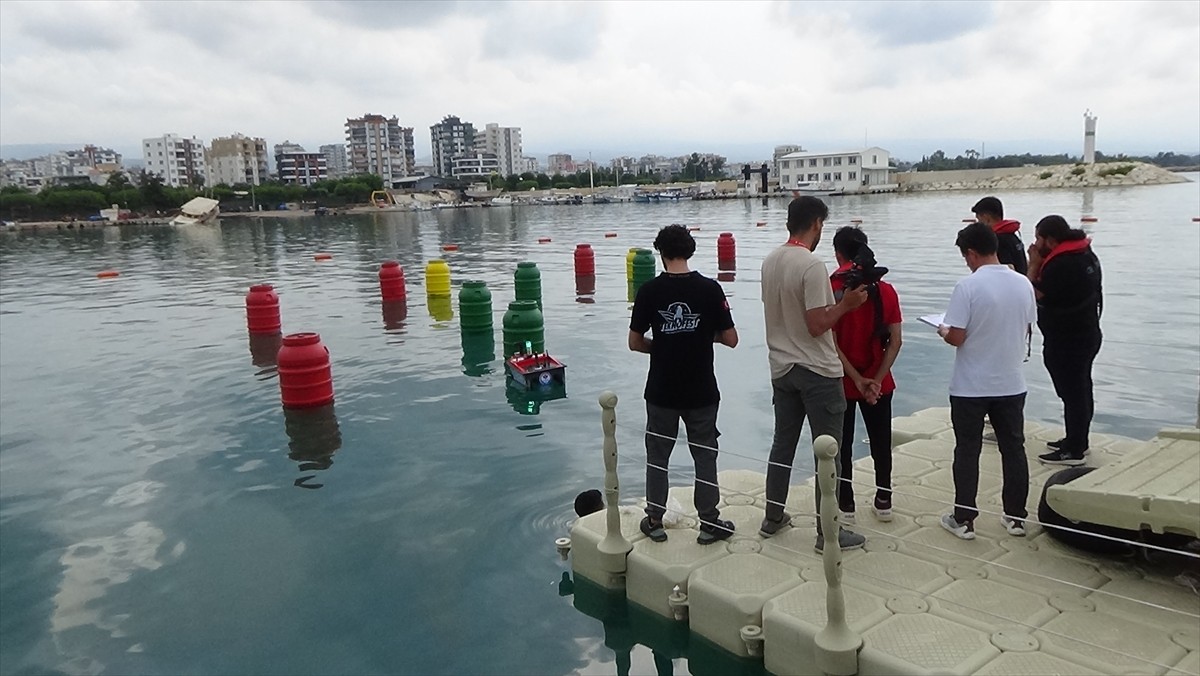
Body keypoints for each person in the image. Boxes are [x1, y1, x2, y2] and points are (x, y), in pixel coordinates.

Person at [760, 196, 869, 553]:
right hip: (817, 371)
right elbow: (816, 323)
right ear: (817, 224)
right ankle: (828, 533)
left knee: (783, 445)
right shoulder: (811, 265)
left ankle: (773, 517)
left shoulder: (770, 261)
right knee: (828, 454)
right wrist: (847, 305)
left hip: (782, 367)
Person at [629, 224, 739, 545]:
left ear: (661, 253)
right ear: (689, 251)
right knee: (705, 455)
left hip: (661, 389)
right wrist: (704, 337)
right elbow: (731, 339)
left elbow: (635, 342)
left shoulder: (648, 291)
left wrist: (662, 345)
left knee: (657, 456)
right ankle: (709, 522)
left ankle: (654, 520)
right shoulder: (710, 289)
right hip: (702, 389)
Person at [937, 222, 1038, 540]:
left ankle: (964, 519)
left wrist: (942, 330)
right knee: (1014, 449)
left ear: (971, 253)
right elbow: (1026, 327)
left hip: (971, 385)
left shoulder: (967, 287)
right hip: (1011, 382)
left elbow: (957, 336)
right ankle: (1016, 518)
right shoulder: (1023, 283)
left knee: (967, 450)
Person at [829, 226, 903, 523]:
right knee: (881, 440)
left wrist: (857, 380)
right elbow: (896, 340)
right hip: (879, 380)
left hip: (843, 380)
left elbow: (829, 342)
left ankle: (846, 504)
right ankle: (883, 499)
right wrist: (875, 379)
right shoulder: (885, 289)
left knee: (842, 445)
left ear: (838, 253)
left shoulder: (834, 288)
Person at [1027, 215, 1103, 466]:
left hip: (1068, 339)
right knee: (1081, 389)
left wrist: (1034, 264)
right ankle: (1078, 439)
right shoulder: (1085, 254)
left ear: (1050, 239)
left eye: (1039, 238)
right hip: (1087, 333)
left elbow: (1032, 295)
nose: (1036, 243)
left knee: (1073, 393)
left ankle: (1074, 450)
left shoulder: (1061, 264)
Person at [972, 196, 1028, 275]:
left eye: (979, 219)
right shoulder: (1012, 236)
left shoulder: (998, 240)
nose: (978, 223)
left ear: (986, 218)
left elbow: (1008, 269)